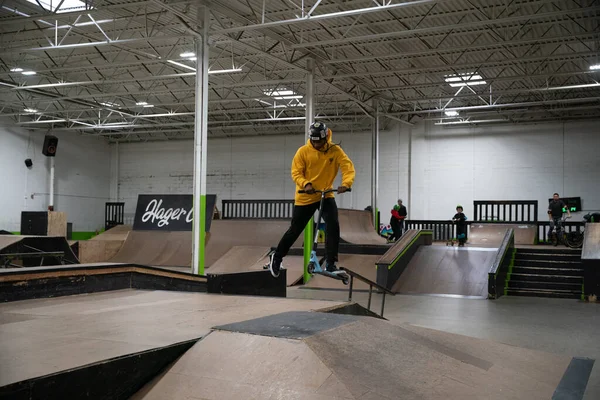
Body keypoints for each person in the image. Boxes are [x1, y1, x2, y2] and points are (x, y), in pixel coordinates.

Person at [268, 121, 355, 278]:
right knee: (295, 229)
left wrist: (345, 183)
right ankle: (277, 256)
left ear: (326, 138)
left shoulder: (335, 151)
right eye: (313, 141)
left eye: (319, 141)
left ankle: (330, 263)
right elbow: (296, 172)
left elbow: (347, 168)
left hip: (326, 194)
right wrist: (306, 184)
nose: (316, 144)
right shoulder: (302, 152)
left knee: (333, 225)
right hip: (305, 196)